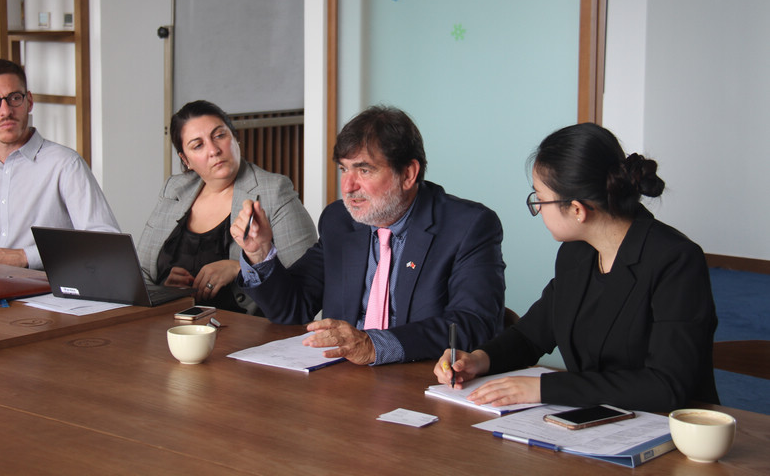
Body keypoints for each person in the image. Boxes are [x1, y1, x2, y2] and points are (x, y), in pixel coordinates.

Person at [435, 123, 719, 412]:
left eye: (540, 199)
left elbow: (666, 385)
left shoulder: (676, 260)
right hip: (596, 419)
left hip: (671, 424)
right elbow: (530, 336)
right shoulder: (576, 253)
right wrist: (479, 359)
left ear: (577, 209)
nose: (538, 208)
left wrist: (543, 388)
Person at [232, 105, 506, 365]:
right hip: (342, 377)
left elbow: (474, 323)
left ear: (408, 174)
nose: (348, 186)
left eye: (364, 170)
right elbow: (293, 308)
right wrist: (260, 253)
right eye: (344, 169)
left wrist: (374, 346)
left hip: (422, 378)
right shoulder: (339, 221)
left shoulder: (468, 226)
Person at [0, 59, 120, 270]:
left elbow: (105, 243)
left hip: (41, 286)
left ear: (29, 101)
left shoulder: (65, 165)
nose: (5, 111)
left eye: (14, 98)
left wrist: (25, 256)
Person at [136, 100, 317, 313]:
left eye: (219, 135)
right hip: (175, 324)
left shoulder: (274, 191)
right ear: (186, 160)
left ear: (235, 137)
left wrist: (240, 268)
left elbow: (306, 290)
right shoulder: (174, 189)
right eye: (198, 145)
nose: (214, 150)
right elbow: (141, 273)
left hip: (246, 327)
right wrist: (164, 290)